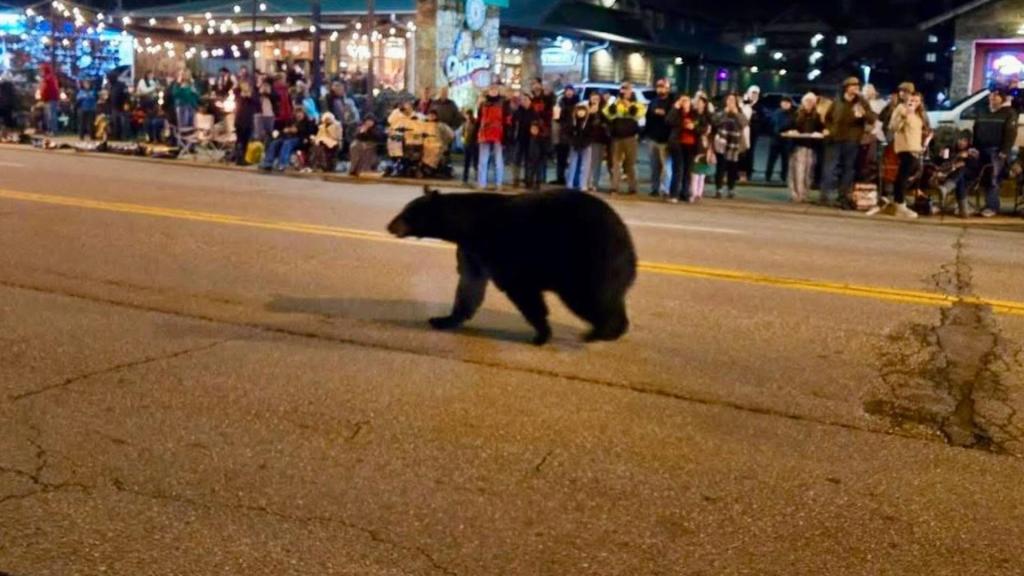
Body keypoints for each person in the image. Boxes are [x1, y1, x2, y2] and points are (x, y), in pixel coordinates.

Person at [823, 76, 877, 208]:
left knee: (848, 169)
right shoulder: (838, 101)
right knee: (830, 168)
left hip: (851, 140)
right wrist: (829, 130)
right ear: (846, 88)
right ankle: (826, 196)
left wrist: (863, 113)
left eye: (857, 86)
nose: (856, 88)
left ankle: (843, 196)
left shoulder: (861, 102)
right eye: (853, 86)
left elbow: (872, 119)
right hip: (835, 139)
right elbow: (828, 118)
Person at [972, 89, 1018, 218]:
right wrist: (974, 147)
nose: (993, 98)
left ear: (1002, 99)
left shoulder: (1009, 113)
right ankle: (973, 204)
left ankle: (992, 206)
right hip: (981, 149)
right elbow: (975, 130)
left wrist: (1005, 150)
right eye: (991, 96)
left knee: (994, 177)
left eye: (996, 96)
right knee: (980, 175)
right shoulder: (982, 112)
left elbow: (1010, 133)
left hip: (997, 150)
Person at [888, 91, 930, 219]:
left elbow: (919, 130)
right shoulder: (902, 109)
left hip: (916, 148)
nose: (914, 103)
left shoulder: (919, 114)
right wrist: (905, 115)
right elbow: (893, 127)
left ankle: (899, 199)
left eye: (917, 101)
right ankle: (899, 204)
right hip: (905, 147)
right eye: (912, 100)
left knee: (910, 175)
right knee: (903, 175)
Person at [604, 82, 646, 195]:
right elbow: (608, 114)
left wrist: (629, 105)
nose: (624, 91)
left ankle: (632, 188)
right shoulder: (615, 102)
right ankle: (614, 188)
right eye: (623, 89)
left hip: (630, 138)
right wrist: (615, 104)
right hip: (617, 137)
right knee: (615, 163)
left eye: (627, 89)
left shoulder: (637, 104)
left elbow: (639, 114)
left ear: (631, 91)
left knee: (630, 164)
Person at [787, 92, 825, 203]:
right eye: (807, 101)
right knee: (797, 172)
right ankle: (795, 195)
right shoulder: (796, 114)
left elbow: (821, 129)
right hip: (797, 146)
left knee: (808, 172)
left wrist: (821, 132)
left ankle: (804, 194)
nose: (809, 103)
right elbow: (789, 126)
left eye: (811, 101)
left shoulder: (817, 116)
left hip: (811, 147)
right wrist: (792, 131)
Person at [666, 94, 704, 203]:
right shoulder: (676, 113)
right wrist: (675, 107)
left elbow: (702, 128)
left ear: (690, 102)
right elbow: (668, 121)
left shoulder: (695, 114)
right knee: (677, 169)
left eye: (686, 101)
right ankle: (674, 194)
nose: (684, 103)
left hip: (691, 145)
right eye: (682, 101)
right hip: (677, 144)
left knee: (688, 170)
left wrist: (694, 127)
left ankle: (685, 193)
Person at [713, 92, 748, 198]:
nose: (731, 102)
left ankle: (731, 189)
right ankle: (719, 189)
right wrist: (724, 113)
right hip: (721, 143)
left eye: (733, 100)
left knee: (732, 168)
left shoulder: (740, 113)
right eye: (729, 100)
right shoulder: (720, 112)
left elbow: (744, 124)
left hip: (734, 144)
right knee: (720, 167)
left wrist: (736, 113)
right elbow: (715, 122)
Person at [644, 78, 674, 197]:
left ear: (668, 88)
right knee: (654, 166)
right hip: (653, 138)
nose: (661, 89)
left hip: (665, 139)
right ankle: (654, 188)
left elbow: (673, 118)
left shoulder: (672, 102)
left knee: (667, 167)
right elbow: (648, 118)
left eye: (664, 87)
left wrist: (664, 113)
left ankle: (665, 189)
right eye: (659, 87)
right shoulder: (653, 101)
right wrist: (646, 134)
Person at [476, 85, 506, 190]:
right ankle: (481, 184)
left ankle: (499, 184)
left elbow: (506, 119)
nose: (493, 91)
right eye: (491, 89)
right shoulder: (482, 103)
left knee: (498, 161)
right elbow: (479, 119)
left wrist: (506, 135)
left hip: (498, 134)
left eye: (495, 89)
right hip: (484, 134)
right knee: (483, 160)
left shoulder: (503, 103)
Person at [527, 78, 555, 183]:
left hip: (544, 130)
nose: (535, 86)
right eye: (533, 84)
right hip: (532, 130)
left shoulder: (546, 98)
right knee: (533, 155)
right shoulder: (530, 98)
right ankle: (530, 178)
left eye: (537, 84)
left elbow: (550, 110)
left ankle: (540, 179)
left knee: (541, 156)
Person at [565, 101, 595, 190]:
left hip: (586, 145)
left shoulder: (589, 122)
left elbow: (592, 134)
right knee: (572, 164)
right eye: (579, 110)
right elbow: (568, 133)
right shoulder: (572, 122)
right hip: (574, 145)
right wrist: (572, 142)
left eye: (583, 110)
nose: (581, 112)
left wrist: (586, 143)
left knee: (585, 166)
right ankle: (570, 183)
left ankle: (583, 184)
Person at [765, 97, 795, 183]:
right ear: (781, 103)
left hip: (787, 141)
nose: (785, 104)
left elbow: (793, 125)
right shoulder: (776, 113)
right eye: (784, 102)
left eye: (787, 103)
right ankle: (768, 176)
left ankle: (784, 177)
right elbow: (772, 125)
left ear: (790, 104)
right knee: (771, 159)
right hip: (776, 140)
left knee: (785, 160)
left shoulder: (793, 114)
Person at [553, 84, 579, 185]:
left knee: (573, 158)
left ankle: (572, 179)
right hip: (562, 133)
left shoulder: (577, 102)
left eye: (570, 90)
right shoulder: (560, 102)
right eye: (567, 90)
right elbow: (557, 118)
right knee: (561, 158)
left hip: (573, 133)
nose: (569, 92)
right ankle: (560, 178)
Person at [586, 92, 610, 192]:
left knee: (598, 163)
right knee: (589, 162)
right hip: (589, 139)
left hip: (600, 139)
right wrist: (590, 114)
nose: (595, 101)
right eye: (593, 99)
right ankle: (587, 183)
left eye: (597, 99)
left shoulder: (604, 110)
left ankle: (595, 183)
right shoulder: (586, 109)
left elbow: (608, 122)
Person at [508, 94, 533, 188]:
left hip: (530, 139)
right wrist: (512, 136)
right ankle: (516, 179)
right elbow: (512, 125)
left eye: (526, 99)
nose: (524, 101)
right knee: (516, 160)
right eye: (522, 100)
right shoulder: (517, 112)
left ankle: (528, 179)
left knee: (528, 160)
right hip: (519, 138)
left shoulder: (533, 112)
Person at [740, 85, 764, 181]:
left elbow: (761, 119)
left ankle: (747, 173)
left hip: (753, 133)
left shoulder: (759, 106)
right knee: (740, 152)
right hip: (741, 131)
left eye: (756, 93)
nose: (754, 95)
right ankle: (738, 172)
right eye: (752, 93)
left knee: (749, 152)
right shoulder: (743, 103)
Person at [233, 81, 258, 165]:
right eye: (243, 86)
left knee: (246, 141)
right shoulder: (239, 95)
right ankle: (238, 158)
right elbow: (235, 91)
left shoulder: (253, 96)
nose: (245, 88)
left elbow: (257, 104)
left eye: (246, 86)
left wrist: (249, 96)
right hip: (239, 121)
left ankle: (244, 158)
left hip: (248, 121)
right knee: (239, 141)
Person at [39, 63, 60, 135]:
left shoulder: (49, 78)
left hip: (51, 99)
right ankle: (50, 130)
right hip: (47, 99)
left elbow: (47, 89)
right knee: (48, 116)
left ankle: (53, 130)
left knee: (51, 116)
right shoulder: (46, 78)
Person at [461, 108, 478, 184]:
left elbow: (475, 133)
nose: (467, 116)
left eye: (467, 114)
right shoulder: (465, 123)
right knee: (466, 162)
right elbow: (463, 133)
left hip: (473, 144)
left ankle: (477, 176)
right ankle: (465, 178)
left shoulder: (474, 123)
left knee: (475, 161)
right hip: (466, 143)